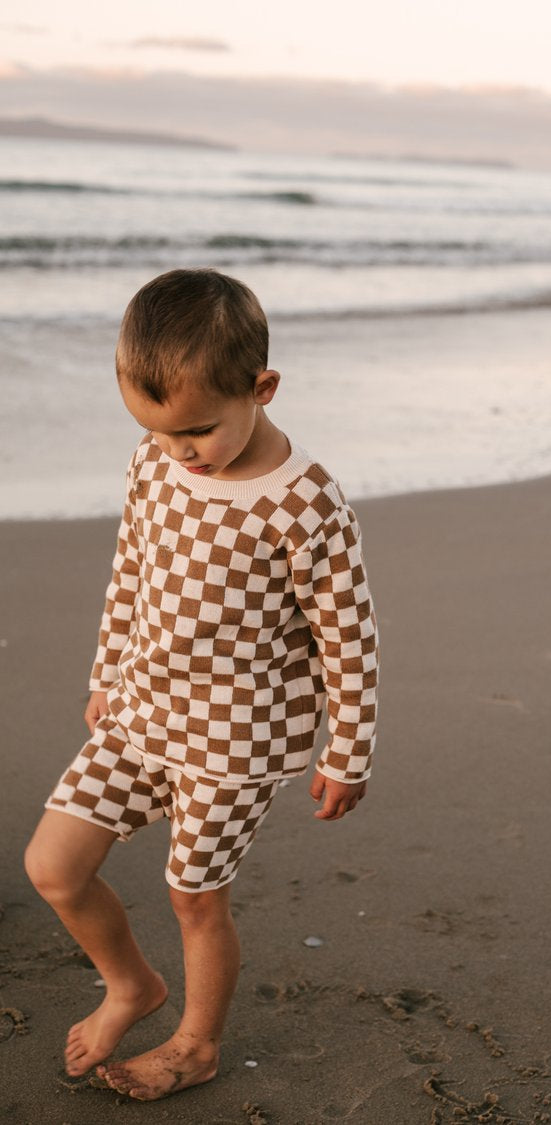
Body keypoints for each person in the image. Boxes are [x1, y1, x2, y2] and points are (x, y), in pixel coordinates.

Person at [24, 268, 379, 1101]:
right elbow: (131, 571)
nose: (178, 450)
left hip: (236, 739)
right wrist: (108, 671)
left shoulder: (304, 502)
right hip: (142, 711)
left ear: (262, 387)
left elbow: (350, 640)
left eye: (197, 431)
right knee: (54, 865)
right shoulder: (154, 458)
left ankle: (196, 1042)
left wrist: (349, 752)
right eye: (157, 429)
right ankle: (131, 985)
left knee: (193, 895)